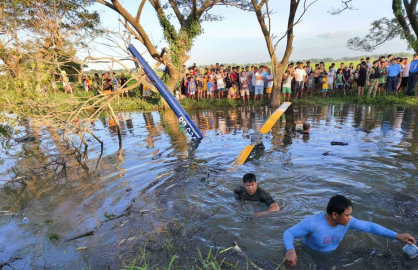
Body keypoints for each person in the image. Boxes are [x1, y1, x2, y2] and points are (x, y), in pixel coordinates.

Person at [283, 195, 416, 267]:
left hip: (335, 255)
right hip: (310, 256)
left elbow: (370, 227)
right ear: (335, 215)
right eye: (347, 215)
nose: (350, 218)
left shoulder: (348, 222)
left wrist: (397, 236)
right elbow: (289, 233)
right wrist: (291, 250)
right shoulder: (312, 223)